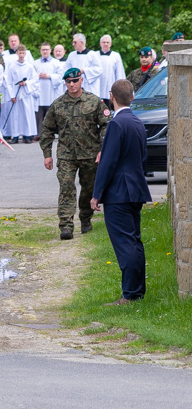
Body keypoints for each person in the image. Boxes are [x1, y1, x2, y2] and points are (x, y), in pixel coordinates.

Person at [90, 79, 151, 305]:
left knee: (125, 243)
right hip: (135, 188)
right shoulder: (136, 121)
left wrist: (97, 194)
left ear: (111, 97)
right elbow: (142, 157)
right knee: (134, 241)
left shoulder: (116, 124)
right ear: (133, 98)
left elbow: (109, 162)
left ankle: (130, 294)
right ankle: (137, 291)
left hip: (119, 192)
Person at [40, 67, 111, 240]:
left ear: (81, 80)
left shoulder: (94, 102)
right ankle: (66, 225)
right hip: (66, 154)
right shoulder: (58, 104)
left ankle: (85, 219)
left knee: (88, 189)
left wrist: (103, 148)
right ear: (65, 83)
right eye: (68, 82)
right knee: (66, 187)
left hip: (90, 154)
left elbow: (106, 125)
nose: (72, 84)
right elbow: (47, 129)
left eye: (75, 81)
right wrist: (47, 154)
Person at [1, 46, 39, 143]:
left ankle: (27, 135)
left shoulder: (29, 66)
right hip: (16, 92)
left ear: (25, 54)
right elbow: (9, 81)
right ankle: (15, 135)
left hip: (26, 93)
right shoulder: (12, 66)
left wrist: (26, 83)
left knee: (27, 114)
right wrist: (12, 95)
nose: (21, 55)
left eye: (23, 53)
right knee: (16, 115)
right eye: (20, 53)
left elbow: (35, 79)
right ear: (17, 53)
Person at [33, 42, 64, 135]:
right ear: (40, 51)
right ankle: (39, 134)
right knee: (39, 115)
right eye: (43, 49)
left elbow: (61, 76)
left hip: (51, 92)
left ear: (50, 50)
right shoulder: (35, 63)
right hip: (39, 93)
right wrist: (37, 76)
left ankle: (50, 134)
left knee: (50, 115)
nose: (45, 51)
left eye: (47, 49)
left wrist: (49, 76)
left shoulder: (56, 63)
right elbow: (31, 76)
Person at [97, 35, 125, 104]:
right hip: (97, 89)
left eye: (107, 42)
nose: (105, 44)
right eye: (103, 42)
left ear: (111, 44)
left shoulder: (116, 56)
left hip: (110, 88)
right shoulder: (94, 55)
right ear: (100, 44)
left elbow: (120, 73)